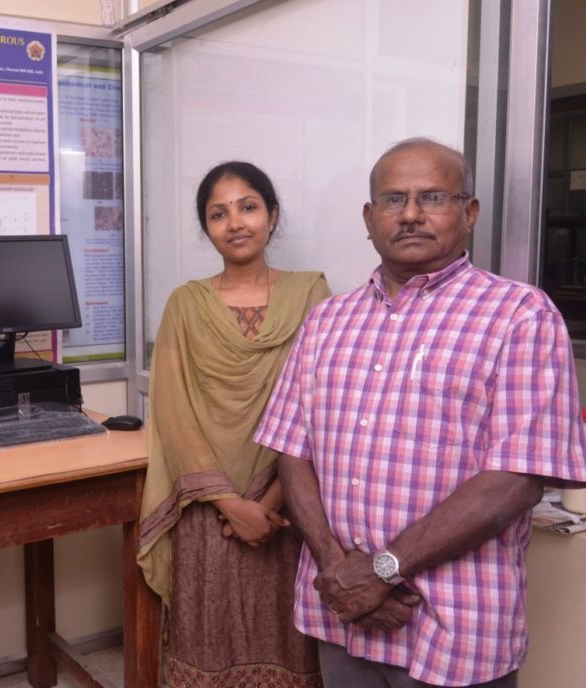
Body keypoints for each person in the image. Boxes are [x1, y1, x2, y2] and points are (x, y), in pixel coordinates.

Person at [254, 137, 586, 688]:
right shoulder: (326, 321)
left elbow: (517, 479)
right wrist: (341, 573)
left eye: (432, 197)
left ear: (469, 211)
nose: (409, 214)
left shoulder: (520, 316)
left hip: (457, 623)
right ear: (369, 217)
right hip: (344, 612)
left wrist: (382, 570)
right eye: (392, 200)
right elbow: (293, 452)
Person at [137, 161, 331, 686]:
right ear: (207, 229)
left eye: (248, 207)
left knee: (287, 633)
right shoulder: (186, 303)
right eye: (218, 214)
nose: (236, 222)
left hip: (288, 503)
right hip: (207, 506)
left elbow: (318, 404)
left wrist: (266, 506)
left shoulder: (311, 295)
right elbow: (173, 413)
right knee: (209, 634)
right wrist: (229, 504)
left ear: (271, 214)